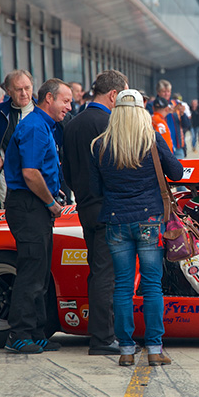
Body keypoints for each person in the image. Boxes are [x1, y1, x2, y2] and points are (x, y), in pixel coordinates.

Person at [90, 89, 182, 367]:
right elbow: (176, 172)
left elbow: (96, 189)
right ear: (142, 112)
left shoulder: (101, 145)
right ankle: (154, 349)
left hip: (116, 221)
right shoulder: (152, 140)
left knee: (122, 286)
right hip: (150, 221)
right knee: (153, 285)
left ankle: (126, 350)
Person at [3, 78, 72, 354]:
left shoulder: (46, 127)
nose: (69, 106)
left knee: (41, 272)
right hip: (29, 205)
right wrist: (52, 203)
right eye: (65, 101)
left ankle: (35, 332)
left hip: (37, 206)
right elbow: (30, 174)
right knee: (31, 270)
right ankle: (18, 334)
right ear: (49, 99)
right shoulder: (34, 127)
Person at [62, 70, 128, 356]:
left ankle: (100, 332)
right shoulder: (109, 123)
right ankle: (102, 338)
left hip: (85, 205)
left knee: (97, 271)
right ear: (113, 95)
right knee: (106, 274)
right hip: (108, 207)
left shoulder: (73, 124)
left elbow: (67, 169)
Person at [0, 69, 36, 207]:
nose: (24, 93)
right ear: (8, 91)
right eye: (18, 89)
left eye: (27, 88)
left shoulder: (43, 111)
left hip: (40, 177)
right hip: (7, 177)